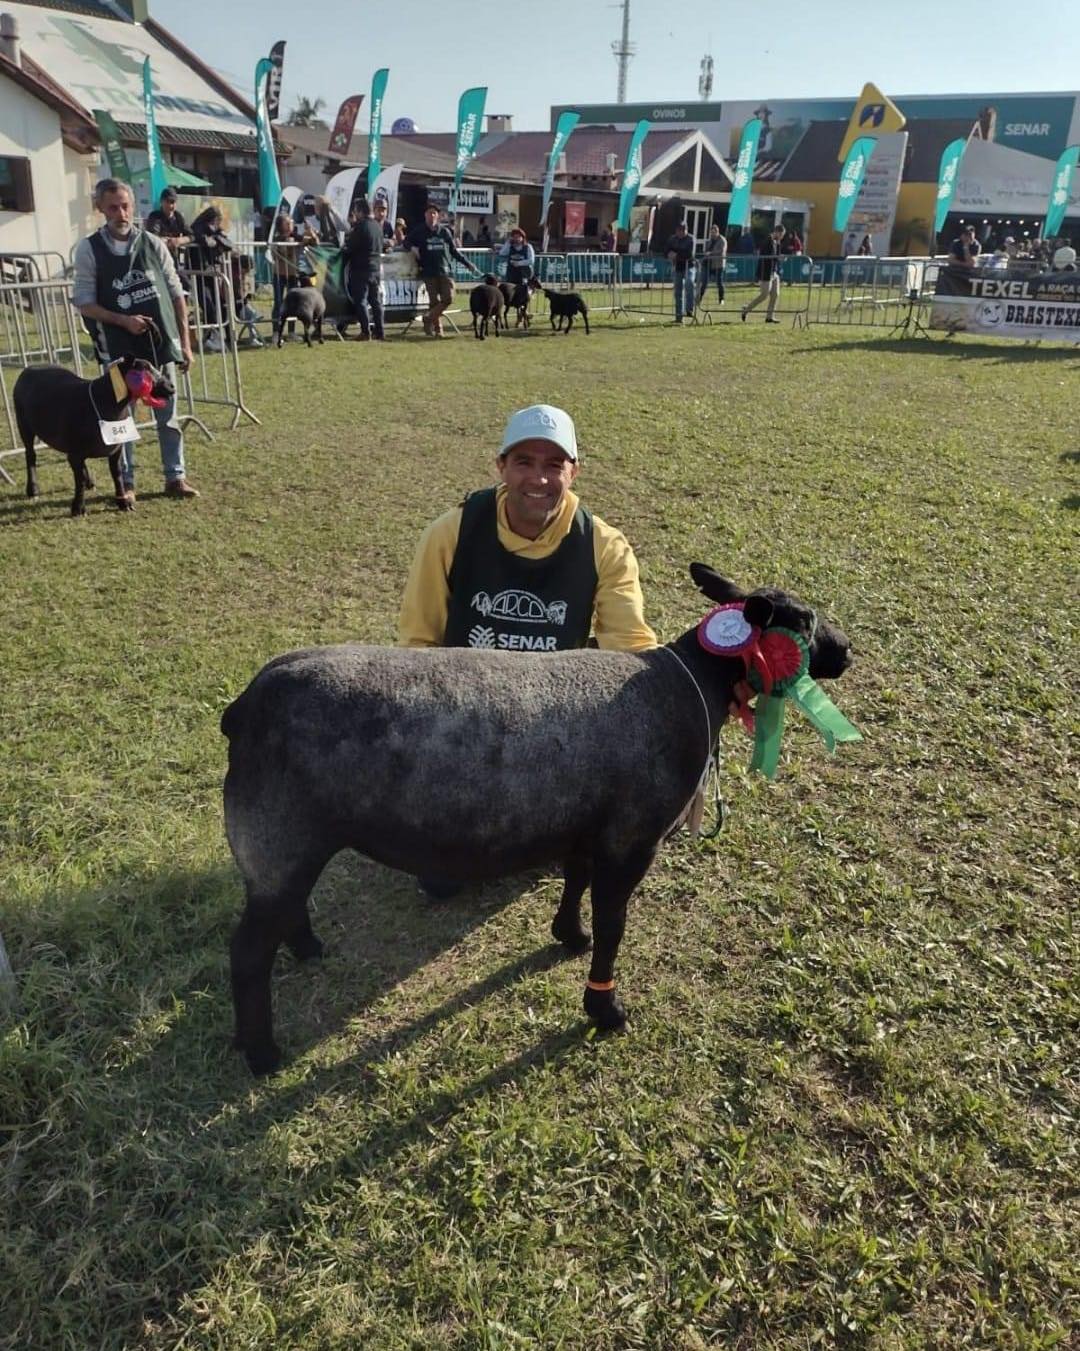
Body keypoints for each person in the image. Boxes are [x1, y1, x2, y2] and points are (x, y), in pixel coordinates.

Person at [398, 403, 656, 654]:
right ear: (501, 466)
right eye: (524, 462)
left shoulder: (604, 546)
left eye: (554, 465)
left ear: (573, 472)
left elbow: (630, 648)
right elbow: (418, 644)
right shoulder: (451, 533)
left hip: (557, 693)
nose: (539, 478)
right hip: (461, 691)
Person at [71, 177, 198, 500]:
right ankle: (125, 483)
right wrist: (122, 321)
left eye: (125, 205)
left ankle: (175, 476)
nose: (121, 213)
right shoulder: (89, 249)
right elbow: (84, 301)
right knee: (119, 420)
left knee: (167, 415)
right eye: (112, 207)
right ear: (100, 208)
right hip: (118, 352)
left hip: (159, 349)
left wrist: (185, 342)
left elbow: (176, 294)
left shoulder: (153, 244)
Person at [407, 203, 480, 336]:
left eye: (434, 213)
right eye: (429, 212)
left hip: (445, 270)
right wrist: (412, 248)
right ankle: (438, 330)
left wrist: (467, 263)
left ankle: (428, 318)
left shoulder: (444, 232)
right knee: (433, 302)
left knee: (449, 298)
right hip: (428, 271)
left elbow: (454, 251)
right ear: (425, 215)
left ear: (438, 216)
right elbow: (406, 241)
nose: (432, 215)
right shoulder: (419, 230)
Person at [189, 206, 235, 351]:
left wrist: (216, 239)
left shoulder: (215, 230)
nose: (218, 223)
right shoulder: (198, 227)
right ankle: (210, 338)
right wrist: (215, 241)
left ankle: (220, 337)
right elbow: (204, 241)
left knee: (221, 305)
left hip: (212, 272)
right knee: (208, 306)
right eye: (217, 220)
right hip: (200, 272)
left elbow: (228, 244)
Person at [343, 198, 385, 340]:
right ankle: (380, 331)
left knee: (360, 300)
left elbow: (350, 247)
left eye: (356, 210)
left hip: (361, 268)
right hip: (376, 268)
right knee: (375, 301)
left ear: (360, 211)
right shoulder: (377, 226)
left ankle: (365, 331)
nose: (355, 213)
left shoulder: (360, 226)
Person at [741, 223, 785, 324]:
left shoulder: (776, 242)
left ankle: (769, 317)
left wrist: (779, 256)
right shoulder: (768, 240)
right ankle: (746, 310)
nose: (782, 237)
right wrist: (777, 257)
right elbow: (767, 255)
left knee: (775, 294)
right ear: (777, 232)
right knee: (764, 295)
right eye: (782, 235)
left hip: (774, 271)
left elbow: (776, 255)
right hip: (766, 271)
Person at [144, 186, 190, 261]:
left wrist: (180, 240)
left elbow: (192, 235)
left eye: (173, 202)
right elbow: (152, 236)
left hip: (174, 258)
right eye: (167, 202)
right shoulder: (155, 216)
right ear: (161, 202)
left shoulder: (178, 217)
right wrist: (165, 241)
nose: (170, 206)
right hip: (157, 257)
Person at [665, 219, 697, 324]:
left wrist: (676, 255)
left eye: (681, 230)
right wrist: (669, 253)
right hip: (678, 268)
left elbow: (689, 254)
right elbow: (666, 250)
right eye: (678, 230)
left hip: (689, 267)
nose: (679, 233)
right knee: (677, 292)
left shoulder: (691, 239)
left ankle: (689, 309)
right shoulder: (672, 239)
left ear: (685, 230)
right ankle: (679, 317)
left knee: (689, 283)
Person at [700, 223, 727, 306]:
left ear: (717, 232)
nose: (712, 234)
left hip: (718, 264)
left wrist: (711, 253)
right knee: (704, 282)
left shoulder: (722, 240)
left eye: (714, 232)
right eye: (711, 233)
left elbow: (722, 251)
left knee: (719, 283)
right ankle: (699, 299)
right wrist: (706, 253)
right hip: (708, 264)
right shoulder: (709, 241)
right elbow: (705, 250)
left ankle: (721, 299)